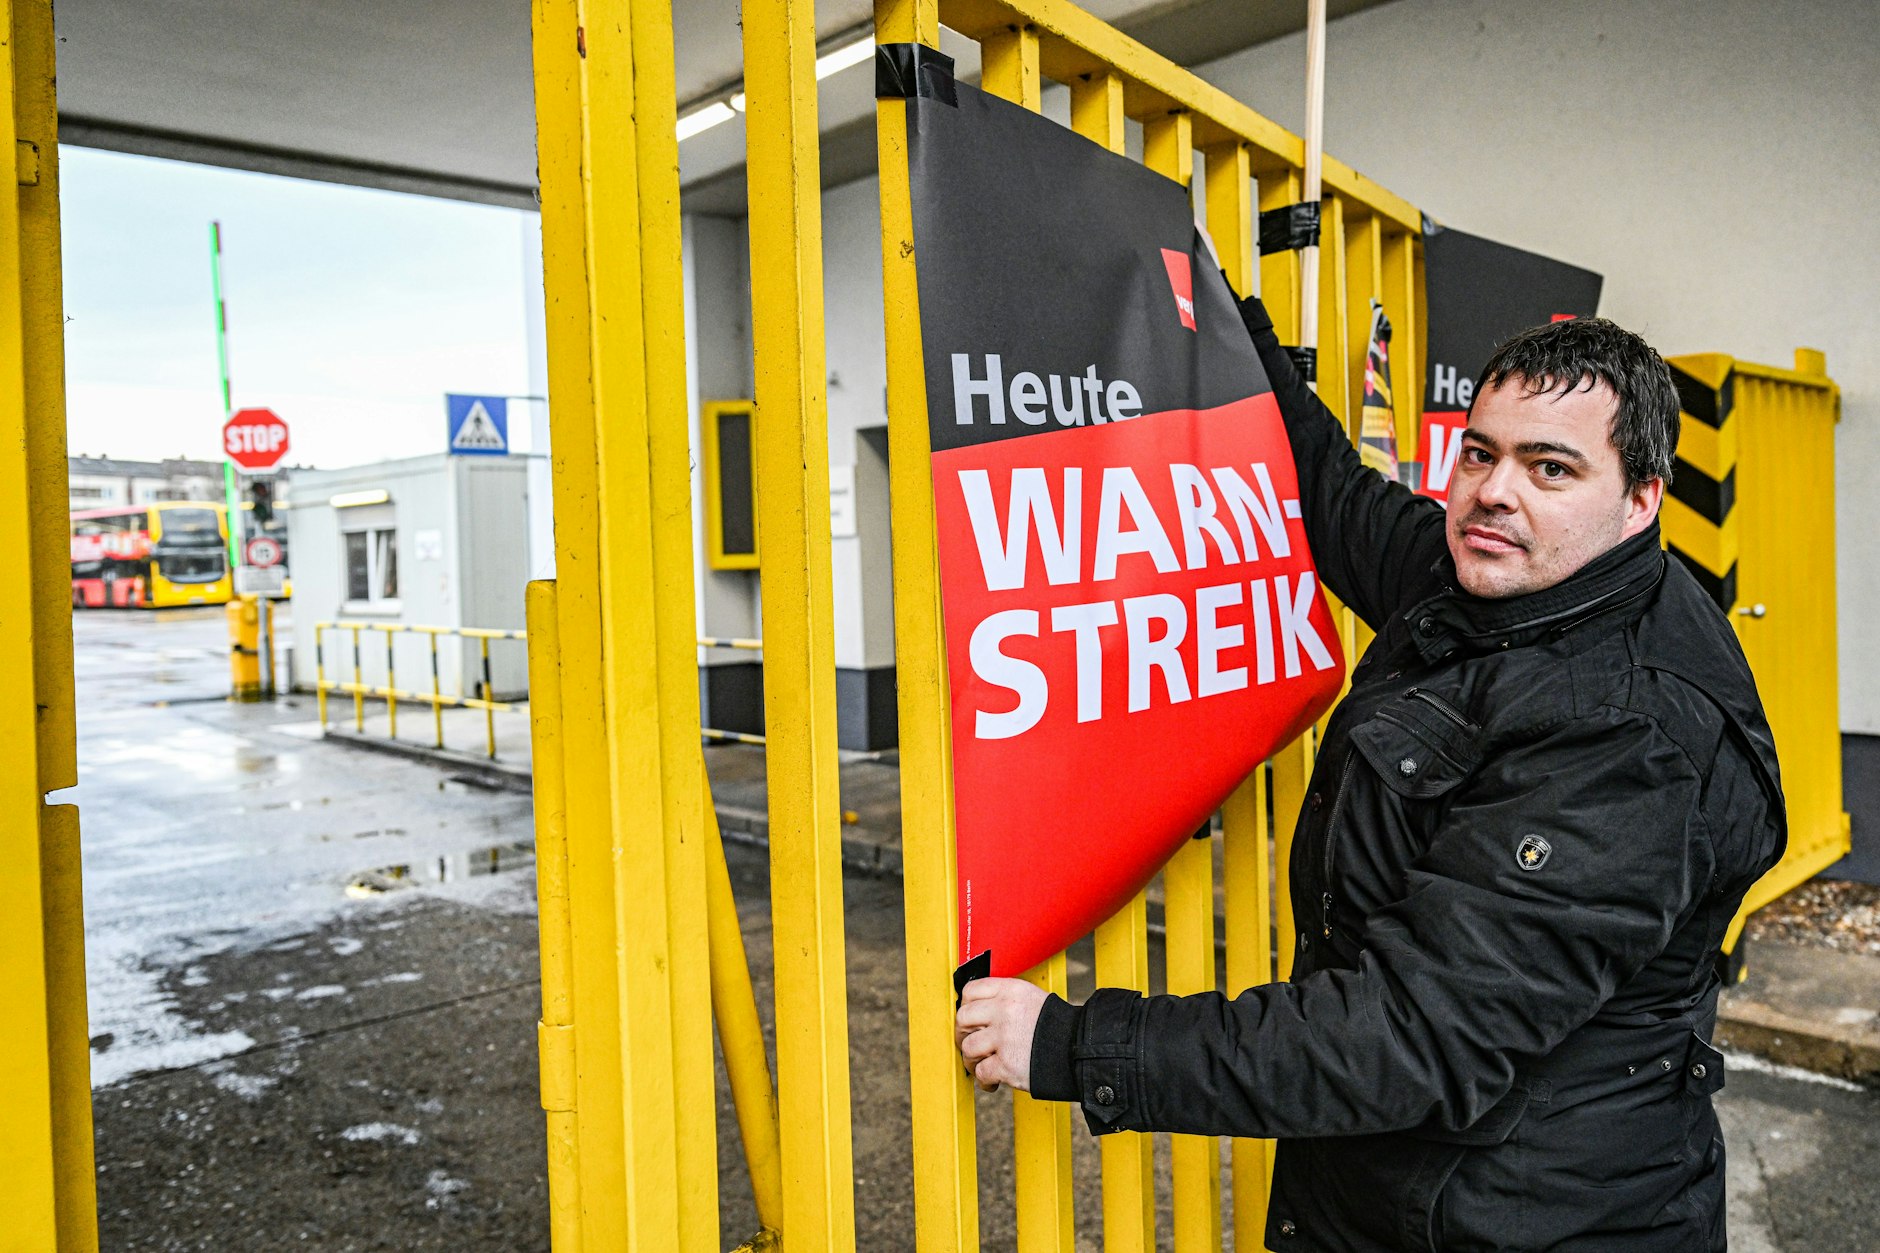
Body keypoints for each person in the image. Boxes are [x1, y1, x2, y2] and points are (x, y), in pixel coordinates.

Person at [955, 297, 1786, 1252]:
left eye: (1550, 467)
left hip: (1531, 1221)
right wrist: (1228, 334)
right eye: (1480, 452)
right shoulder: (1497, 572)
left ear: (1643, 498)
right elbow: (1337, 497)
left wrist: (1079, 1045)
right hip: (1405, 1198)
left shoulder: (1629, 739)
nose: (1493, 491)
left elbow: (1410, 1033)